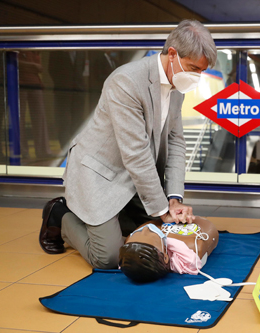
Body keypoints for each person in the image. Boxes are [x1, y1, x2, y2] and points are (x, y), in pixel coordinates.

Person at [39, 20, 218, 270]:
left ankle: (118, 216)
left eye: (200, 72)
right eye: (193, 68)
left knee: (154, 233)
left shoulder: (177, 86)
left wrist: (174, 199)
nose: (196, 78)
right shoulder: (126, 81)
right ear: (173, 54)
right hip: (99, 174)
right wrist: (162, 209)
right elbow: (136, 154)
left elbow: (176, 141)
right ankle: (60, 214)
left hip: (132, 179)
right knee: (108, 257)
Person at [119, 217, 219, 283]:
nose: (145, 229)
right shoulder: (181, 262)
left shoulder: (132, 257)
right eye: (151, 234)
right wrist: (166, 240)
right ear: (166, 257)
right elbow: (193, 263)